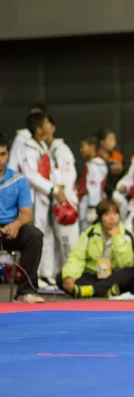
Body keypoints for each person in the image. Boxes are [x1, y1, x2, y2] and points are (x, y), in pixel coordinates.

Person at [57, 199, 134, 298]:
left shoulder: (126, 235)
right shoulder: (90, 233)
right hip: (93, 274)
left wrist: (116, 238)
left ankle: (92, 290)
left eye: (115, 213)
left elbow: (125, 263)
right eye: (107, 214)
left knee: (132, 272)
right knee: (61, 277)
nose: (112, 218)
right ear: (100, 217)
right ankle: (104, 291)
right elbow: (77, 257)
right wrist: (69, 276)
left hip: (114, 276)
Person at [18, 112, 62, 286]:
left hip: (47, 198)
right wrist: (52, 188)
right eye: (45, 124)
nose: (49, 127)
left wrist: (58, 186)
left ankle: (46, 273)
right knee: (35, 236)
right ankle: (32, 276)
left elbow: (52, 170)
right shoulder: (28, 148)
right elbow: (31, 175)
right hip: (34, 198)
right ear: (38, 129)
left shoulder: (42, 146)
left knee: (47, 235)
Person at [0, 133, 44, 303]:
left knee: (34, 235)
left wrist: (16, 225)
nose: (0, 160)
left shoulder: (18, 179)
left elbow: (27, 212)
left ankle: (26, 292)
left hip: (11, 227)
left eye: (3, 154)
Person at [47, 116, 80, 267]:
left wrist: (63, 199)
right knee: (57, 242)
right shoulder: (47, 150)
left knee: (68, 242)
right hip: (55, 202)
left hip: (65, 202)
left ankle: (70, 275)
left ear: (52, 127)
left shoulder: (61, 149)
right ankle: (60, 276)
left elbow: (68, 176)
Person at [77, 136, 108, 230]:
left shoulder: (96, 165)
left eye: (83, 146)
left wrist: (92, 208)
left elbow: (94, 188)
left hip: (90, 205)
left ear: (92, 146)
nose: (81, 150)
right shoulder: (91, 163)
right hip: (86, 203)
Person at [7, 104, 46, 173]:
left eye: (38, 115)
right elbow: (13, 163)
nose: (35, 119)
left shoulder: (43, 142)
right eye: (32, 115)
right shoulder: (21, 138)